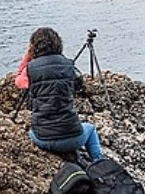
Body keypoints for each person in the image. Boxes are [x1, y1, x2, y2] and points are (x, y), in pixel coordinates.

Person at [15, 27, 103, 162]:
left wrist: (27, 55)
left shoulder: (31, 69)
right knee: (90, 129)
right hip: (73, 138)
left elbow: (19, 82)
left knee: (28, 131)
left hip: (42, 138)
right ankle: (98, 162)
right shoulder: (68, 65)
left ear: (33, 47)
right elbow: (78, 84)